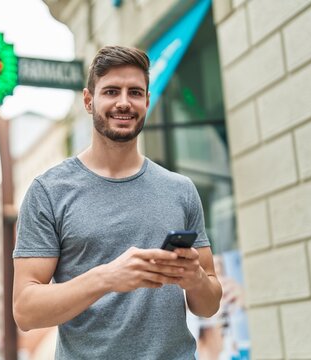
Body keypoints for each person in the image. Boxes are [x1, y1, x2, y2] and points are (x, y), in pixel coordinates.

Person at [12, 45, 222, 359]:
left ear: (147, 102)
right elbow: (25, 312)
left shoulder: (181, 190)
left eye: (135, 93)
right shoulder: (49, 191)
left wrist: (194, 279)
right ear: (88, 100)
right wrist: (107, 278)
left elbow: (208, 305)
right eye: (111, 91)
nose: (124, 102)